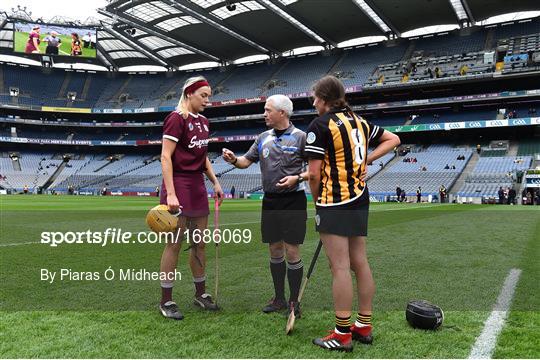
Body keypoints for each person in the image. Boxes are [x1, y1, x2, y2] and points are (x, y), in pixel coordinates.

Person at [305, 75, 400, 351]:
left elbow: (313, 174)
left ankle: (342, 333)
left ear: (323, 99)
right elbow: (393, 139)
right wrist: (366, 160)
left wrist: (316, 204)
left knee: (340, 267)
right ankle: (364, 325)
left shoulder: (320, 125)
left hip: (333, 202)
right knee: (360, 262)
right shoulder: (358, 121)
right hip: (359, 198)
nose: (313, 103)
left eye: (315, 98)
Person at [222, 94, 308, 317]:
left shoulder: (301, 137)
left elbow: (316, 168)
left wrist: (298, 178)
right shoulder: (262, 138)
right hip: (270, 201)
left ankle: (293, 301)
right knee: (274, 249)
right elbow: (245, 162)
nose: (264, 113)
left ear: (282, 113)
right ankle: (279, 298)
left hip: (293, 200)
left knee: (292, 250)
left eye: (268, 110)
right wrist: (233, 159)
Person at [159, 76, 224, 320]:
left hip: (197, 186)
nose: (208, 100)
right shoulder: (176, 119)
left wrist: (215, 182)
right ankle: (166, 300)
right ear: (189, 94)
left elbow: (203, 157)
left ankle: (200, 294)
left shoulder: (204, 121)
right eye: (203, 95)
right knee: (174, 244)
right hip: (178, 184)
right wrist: (171, 193)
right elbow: (166, 157)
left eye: (209, 96)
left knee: (199, 243)